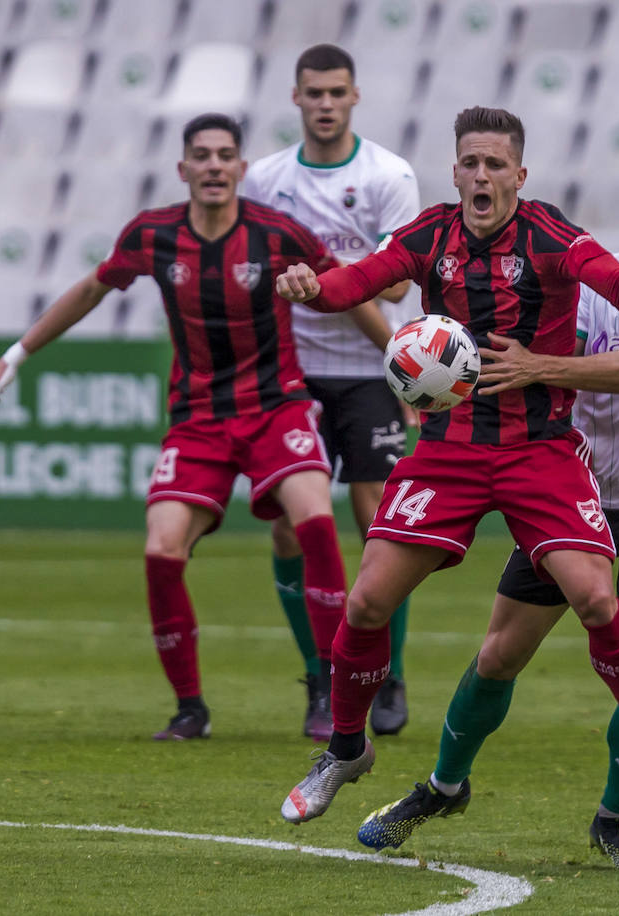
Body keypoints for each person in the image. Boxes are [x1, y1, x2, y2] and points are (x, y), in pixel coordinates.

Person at [273, 106, 619, 826]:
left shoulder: (552, 236)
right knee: (365, 603)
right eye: (470, 164)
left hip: (538, 451)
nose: (481, 175)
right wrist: (310, 288)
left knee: (596, 600)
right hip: (446, 453)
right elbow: (352, 285)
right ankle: (347, 750)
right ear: (455, 173)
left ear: (519, 174)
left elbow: (616, 283)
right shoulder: (428, 236)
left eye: (495, 164)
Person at [0, 113, 352, 742]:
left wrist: (397, 356)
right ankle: (190, 709)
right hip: (199, 418)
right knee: (161, 548)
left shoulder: (279, 233)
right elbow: (92, 290)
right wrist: (13, 358)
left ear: (241, 169)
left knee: (312, 519)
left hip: (276, 406)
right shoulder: (154, 235)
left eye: (224, 155)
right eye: (200, 156)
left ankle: (328, 688)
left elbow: (346, 286)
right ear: (183, 169)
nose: (212, 166)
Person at [242, 44, 422, 740]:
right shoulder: (266, 178)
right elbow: (253, 270)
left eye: (336, 92)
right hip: (292, 373)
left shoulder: (388, 175)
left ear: (354, 97)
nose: (324, 103)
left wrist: (321, 275)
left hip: (370, 370)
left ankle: (389, 670)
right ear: (296, 98)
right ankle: (321, 675)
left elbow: (400, 281)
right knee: (290, 523)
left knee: (380, 520)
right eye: (312, 92)